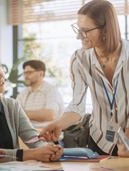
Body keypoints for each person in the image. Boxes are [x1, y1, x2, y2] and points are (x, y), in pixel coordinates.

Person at [40, 0, 129, 157]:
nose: (78, 37)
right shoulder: (79, 59)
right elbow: (77, 105)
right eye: (78, 29)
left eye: (85, 31)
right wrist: (58, 124)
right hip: (100, 139)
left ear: (106, 30)